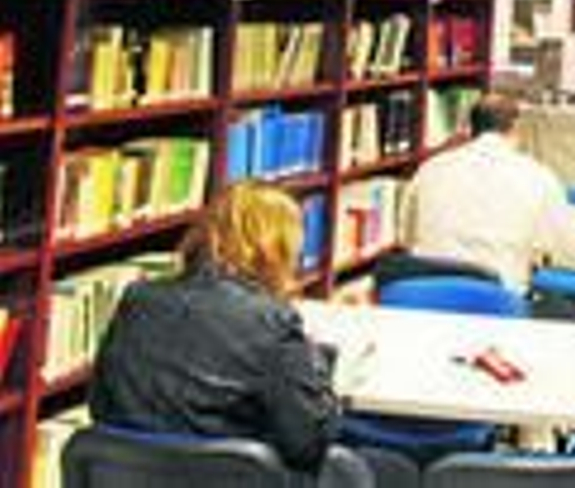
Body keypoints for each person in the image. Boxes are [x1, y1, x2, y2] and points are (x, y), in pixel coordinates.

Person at [90, 184, 369, 486]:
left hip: (132, 477)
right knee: (354, 468)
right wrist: (316, 373)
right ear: (277, 248)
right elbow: (308, 443)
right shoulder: (272, 321)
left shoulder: (137, 300)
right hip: (228, 478)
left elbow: (101, 407)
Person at [401, 92, 575, 288]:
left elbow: (405, 238)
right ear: (515, 128)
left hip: (425, 298)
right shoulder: (537, 176)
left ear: (469, 129)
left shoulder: (430, 169)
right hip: (497, 304)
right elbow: (570, 251)